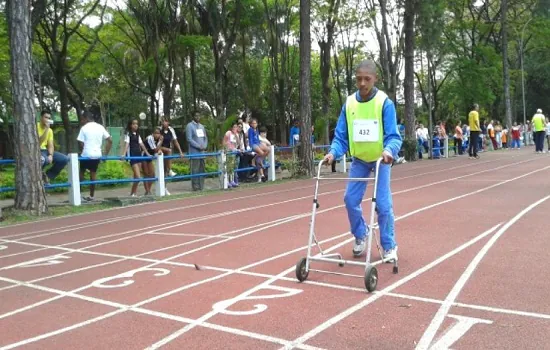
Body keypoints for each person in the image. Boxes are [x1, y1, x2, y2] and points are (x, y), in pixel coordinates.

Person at [323, 59, 402, 261]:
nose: (363, 84)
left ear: (375, 79)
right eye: (359, 79)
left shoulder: (385, 103)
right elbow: (342, 136)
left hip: (380, 160)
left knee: (383, 204)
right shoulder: (349, 104)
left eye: (367, 79)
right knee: (350, 199)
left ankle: (389, 245)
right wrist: (333, 153)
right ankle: (361, 234)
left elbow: (394, 136)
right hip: (359, 160)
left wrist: (389, 151)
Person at [77, 110, 112, 201]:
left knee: (81, 173)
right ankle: (91, 196)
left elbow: (80, 142)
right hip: (97, 154)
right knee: (93, 175)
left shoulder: (84, 128)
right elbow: (110, 140)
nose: (81, 121)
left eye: (82, 119)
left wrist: (82, 150)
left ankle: (78, 195)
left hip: (86, 154)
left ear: (85, 118)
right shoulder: (100, 127)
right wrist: (105, 155)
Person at [121, 118, 151, 197]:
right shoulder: (128, 134)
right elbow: (126, 145)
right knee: (138, 176)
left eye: (137, 124)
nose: (136, 125)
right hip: (132, 156)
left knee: (136, 176)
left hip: (139, 156)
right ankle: (132, 193)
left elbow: (142, 145)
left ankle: (133, 193)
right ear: (130, 125)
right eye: (134, 124)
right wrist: (124, 154)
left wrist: (147, 154)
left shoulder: (138, 135)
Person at [37, 111, 68, 184]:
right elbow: (38, 142)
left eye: (49, 118)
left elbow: (50, 145)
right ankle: (39, 176)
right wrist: (46, 129)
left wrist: (50, 154)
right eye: (46, 117)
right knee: (44, 159)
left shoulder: (50, 130)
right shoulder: (36, 126)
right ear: (41, 118)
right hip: (37, 150)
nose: (47, 119)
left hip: (45, 151)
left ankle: (47, 176)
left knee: (63, 159)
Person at [185, 112, 208, 191]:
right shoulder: (189, 126)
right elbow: (189, 139)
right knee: (195, 170)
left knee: (202, 170)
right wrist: (198, 146)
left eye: (199, 115)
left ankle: (201, 186)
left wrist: (204, 146)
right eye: (196, 115)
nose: (198, 117)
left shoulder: (202, 126)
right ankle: (195, 187)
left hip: (202, 153)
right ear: (193, 116)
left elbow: (205, 138)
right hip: (194, 153)